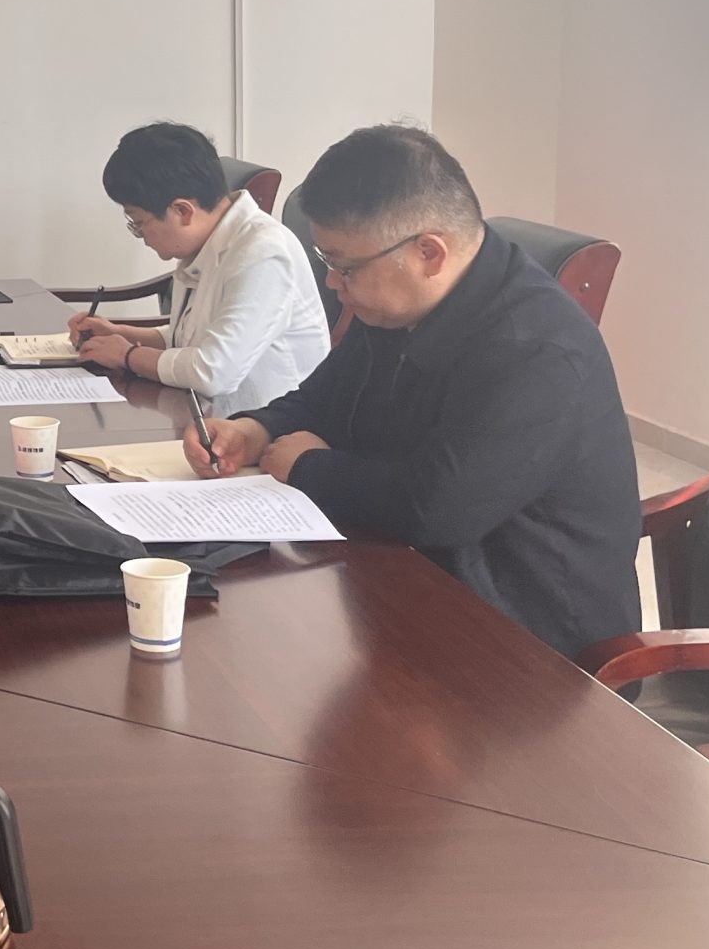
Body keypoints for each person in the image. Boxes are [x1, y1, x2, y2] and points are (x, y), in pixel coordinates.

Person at [182, 125, 640, 659]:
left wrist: (307, 466)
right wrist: (256, 429)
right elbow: (326, 398)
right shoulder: (397, 302)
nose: (333, 283)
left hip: (530, 642)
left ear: (428, 253)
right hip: (408, 583)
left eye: (343, 266)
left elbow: (439, 508)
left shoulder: (536, 350)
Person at [65, 122, 331, 415]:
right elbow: (187, 339)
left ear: (182, 211)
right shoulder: (203, 244)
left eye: (138, 223)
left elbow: (213, 371)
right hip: (208, 420)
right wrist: (119, 333)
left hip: (267, 430)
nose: (141, 237)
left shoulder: (263, 254)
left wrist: (128, 355)